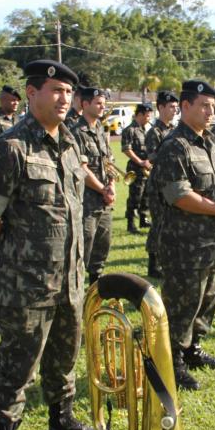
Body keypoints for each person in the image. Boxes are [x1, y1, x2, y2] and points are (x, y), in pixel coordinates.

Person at [0, 59, 96, 430]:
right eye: (55, 90)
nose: (64, 99)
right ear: (32, 93)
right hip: (26, 285)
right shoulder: (9, 149)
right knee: (16, 368)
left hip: (69, 280)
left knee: (64, 358)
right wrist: (25, 248)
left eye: (69, 92)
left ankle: (61, 419)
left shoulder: (71, 145)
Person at [151, 79, 215, 391]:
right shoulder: (175, 146)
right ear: (185, 107)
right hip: (182, 244)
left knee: (208, 297)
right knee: (181, 305)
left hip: (211, 240)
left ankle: (193, 350)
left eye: (213, 107)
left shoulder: (212, 143)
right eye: (203, 105)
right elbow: (179, 195)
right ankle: (171, 363)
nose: (210, 112)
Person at [71, 85, 116, 285]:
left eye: (103, 104)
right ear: (85, 103)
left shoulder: (100, 129)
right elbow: (81, 167)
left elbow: (110, 161)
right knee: (84, 246)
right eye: (97, 103)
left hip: (104, 200)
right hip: (86, 201)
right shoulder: (75, 131)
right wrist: (102, 188)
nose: (101, 107)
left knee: (102, 244)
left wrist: (112, 184)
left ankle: (95, 285)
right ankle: (77, 288)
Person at [144, 90, 179, 278]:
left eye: (176, 107)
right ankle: (153, 263)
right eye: (171, 107)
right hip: (158, 185)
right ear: (160, 108)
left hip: (171, 185)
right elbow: (153, 159)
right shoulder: (154, 132)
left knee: (168, 223)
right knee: (158, 223)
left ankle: (164, 259)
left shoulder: (173, 130)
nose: (175, 110)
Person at [122, 102, 154, 234]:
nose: (149, 118)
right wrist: (140, 162)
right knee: (135, 197)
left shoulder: (144, 129)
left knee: (146, 196)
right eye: (147, 116)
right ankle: (131, 224)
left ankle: (144, 219)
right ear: (139, 114)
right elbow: (126, 149)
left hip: (146, 168)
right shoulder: (130, 130)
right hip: (135, 168)